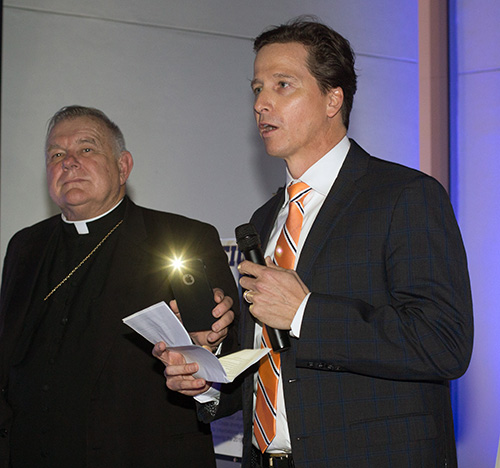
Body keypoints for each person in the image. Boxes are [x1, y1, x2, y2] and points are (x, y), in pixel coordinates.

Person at [155, 17, 474, 468]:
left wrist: (306, 312)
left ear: (332, 98)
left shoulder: (405, 196)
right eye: (256, 88)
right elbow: (267, 362)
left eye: (282, 85)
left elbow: (444, 343)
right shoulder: (266, 219)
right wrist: (206, 375)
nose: (262, 103)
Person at [0, 105, 239, 468]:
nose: (69, 162)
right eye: (56, 154)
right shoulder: (24, 246)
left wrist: (211, 349)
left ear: (123, 166)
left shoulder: (183, 238)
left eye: (87, 149)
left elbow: (233, 368)